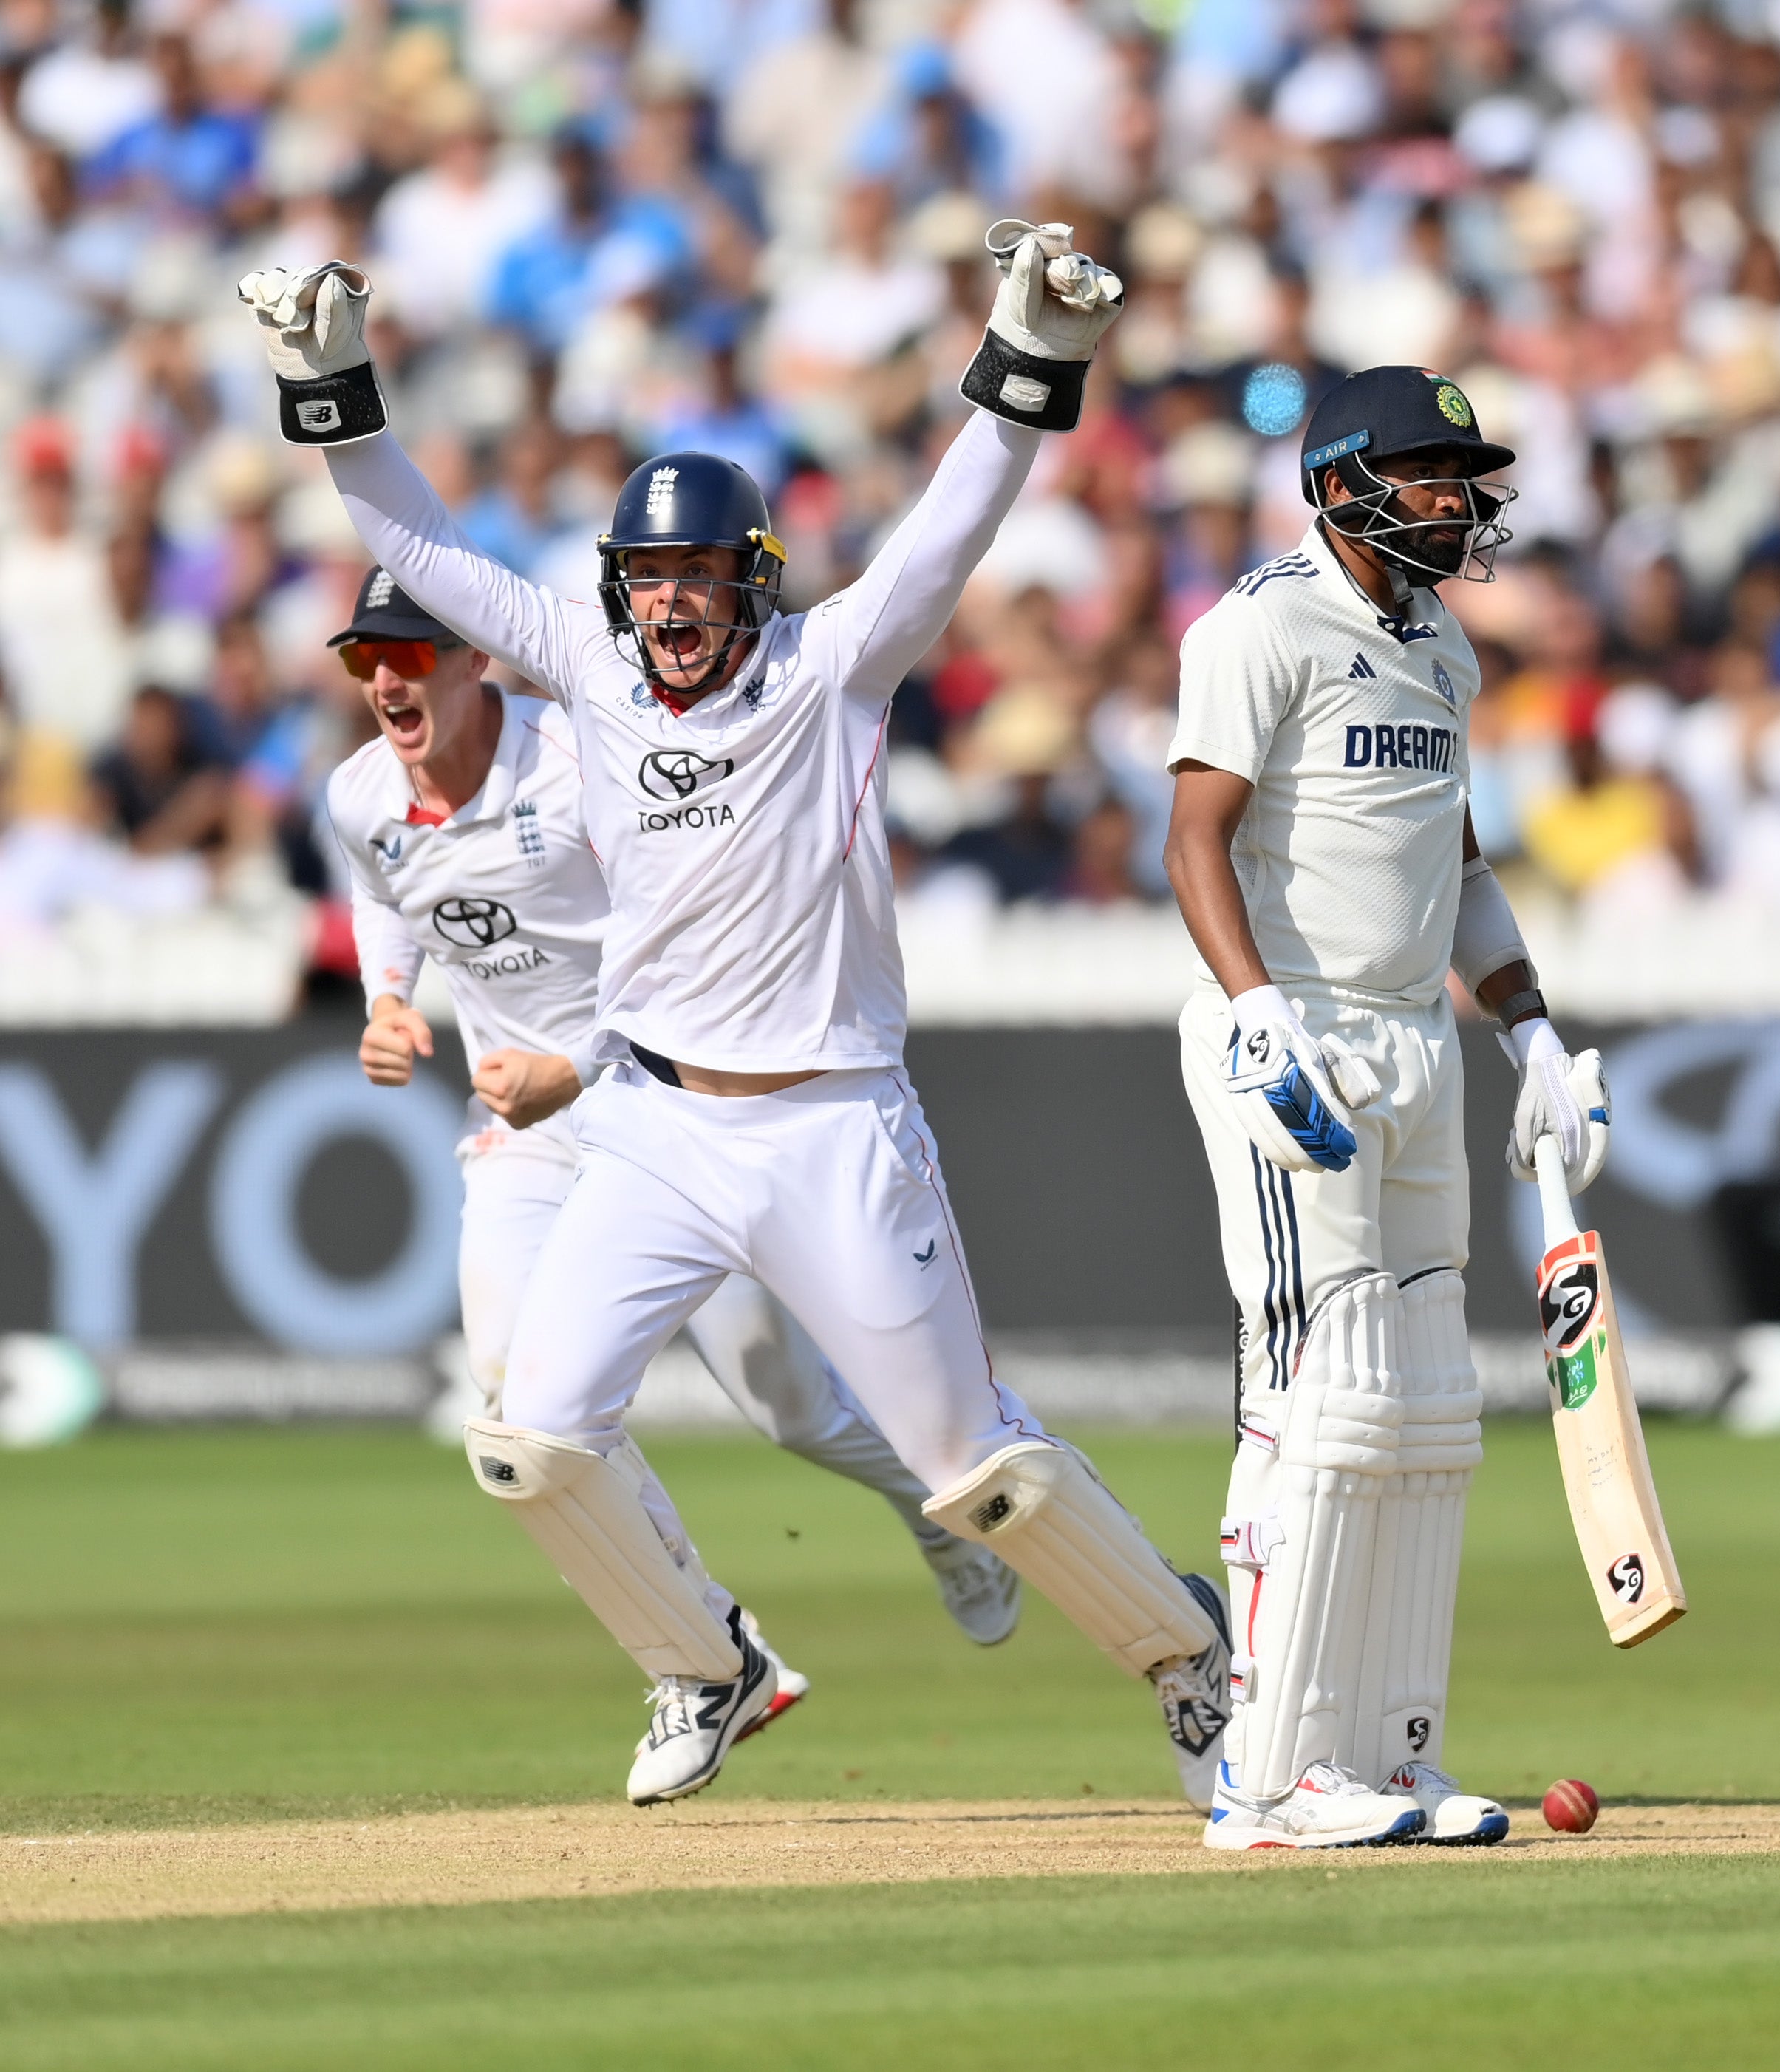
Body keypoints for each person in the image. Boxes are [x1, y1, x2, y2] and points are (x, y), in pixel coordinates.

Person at [240, 228, 1231, 1809]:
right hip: (651, 1123)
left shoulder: (830, 669)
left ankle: (1194, 1663)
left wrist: (1031, 356)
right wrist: (328, 387)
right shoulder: (584, 667)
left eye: (700, 577)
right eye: (650, 579)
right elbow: (415, 547)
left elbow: (947, 529)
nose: (674, 606)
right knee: (532, 1440)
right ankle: (707, 1663)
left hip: (832, 1118)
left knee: (976, 1470)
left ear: (750, 581)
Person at [324, 566, 1023, 1729]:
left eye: (412, 652)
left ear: (475, 657)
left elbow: (688, 920)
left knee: (786, 1408)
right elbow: (385, 888)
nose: (388, 679)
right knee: (512, 1403)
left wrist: (582, 1063)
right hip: (523, 1137)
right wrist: (387, 997)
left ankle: (927, 1506)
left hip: (665, 1108)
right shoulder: (359, 795)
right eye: (365, 659)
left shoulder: (581, 757)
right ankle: (709, 1653)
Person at [1163, 365, 1607, 1850]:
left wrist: (1531, 1031)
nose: (1459, 499)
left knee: (1427, 1404)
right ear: (1345, 479)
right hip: (1298, 1030)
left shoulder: (1445, 652)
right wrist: (1254, 1011)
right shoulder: (1257, 626)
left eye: (1464, 474)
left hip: (1420, 1032)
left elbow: (1465, 867)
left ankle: (1390, 1755)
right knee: (1318, 1396)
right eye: (1430, 472)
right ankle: (1267, 1777)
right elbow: (1193, 840)